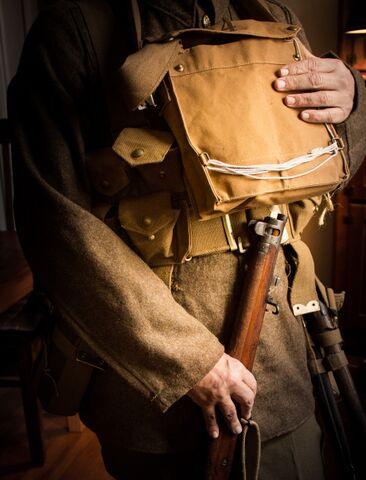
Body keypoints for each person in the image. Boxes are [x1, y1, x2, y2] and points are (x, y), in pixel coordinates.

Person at [8, 0, 366, 478]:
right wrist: (188, 363)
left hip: (281, 356)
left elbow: (327, 170)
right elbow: (57, 225)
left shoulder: (270, 15)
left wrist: (354, 101)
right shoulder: (75, 28)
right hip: (158, 391)